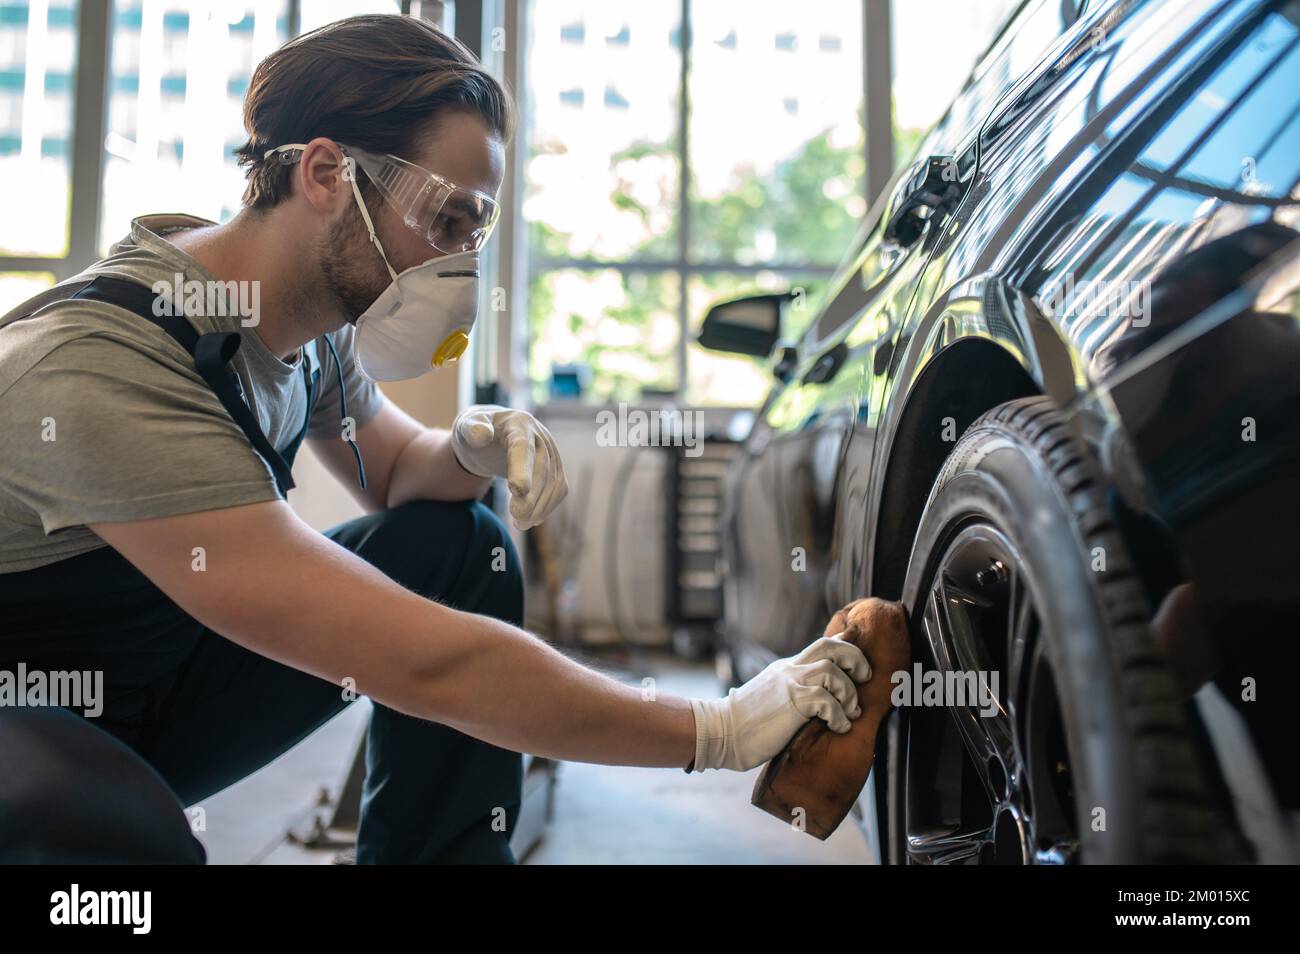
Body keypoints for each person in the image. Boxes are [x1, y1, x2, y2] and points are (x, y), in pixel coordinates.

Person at [0, 14, 869, 864]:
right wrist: (712, 729)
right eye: (444, 219)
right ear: (327, 172)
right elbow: (426, 664)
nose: (459, 261)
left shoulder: (308, 329)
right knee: (109, 831)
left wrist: (468, 451)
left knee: (461, 548)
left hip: (140, 697)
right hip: (27, 717)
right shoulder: (103, 362)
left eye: (476, 230)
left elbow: (399, 475)